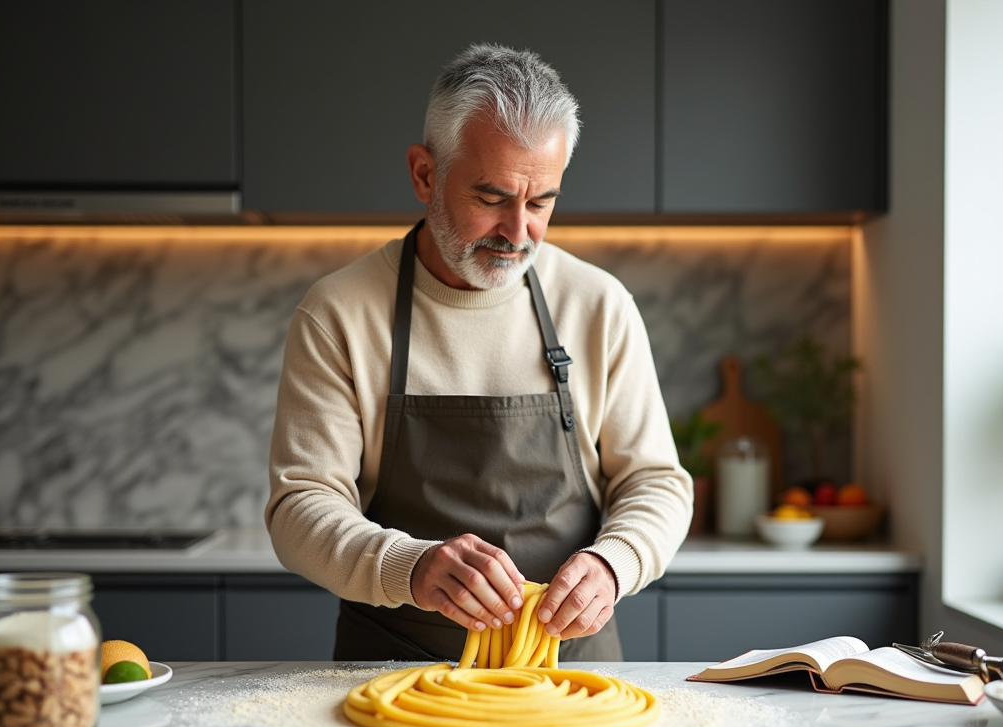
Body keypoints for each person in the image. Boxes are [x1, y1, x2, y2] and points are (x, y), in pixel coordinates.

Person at [266, 44, 692, 662]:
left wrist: (613, 563)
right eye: (491, 198)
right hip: (391, 669)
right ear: (424, 174)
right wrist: (409, 566)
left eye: (541, 201)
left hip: (571, 676)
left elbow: (656, 481)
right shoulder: (339, 312)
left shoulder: (599, 305)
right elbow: (299, 506)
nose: (518, 233)